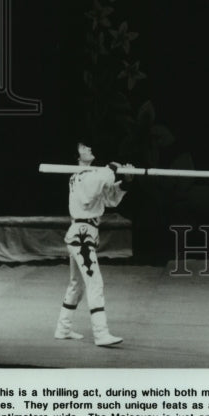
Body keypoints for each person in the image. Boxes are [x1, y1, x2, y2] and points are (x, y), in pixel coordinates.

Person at [53, 141, 135, 347]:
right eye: (83, 147)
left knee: (76, 285)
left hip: (84, 234)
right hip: (81, 235)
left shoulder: (91, 175)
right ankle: (101, 333)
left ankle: (63, 328)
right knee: (95, 283)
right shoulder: (80, 176)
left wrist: (126, 181)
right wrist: (112, 168)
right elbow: (96, 185)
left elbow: (108, 198)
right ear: (76, 156)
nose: (89, 148)